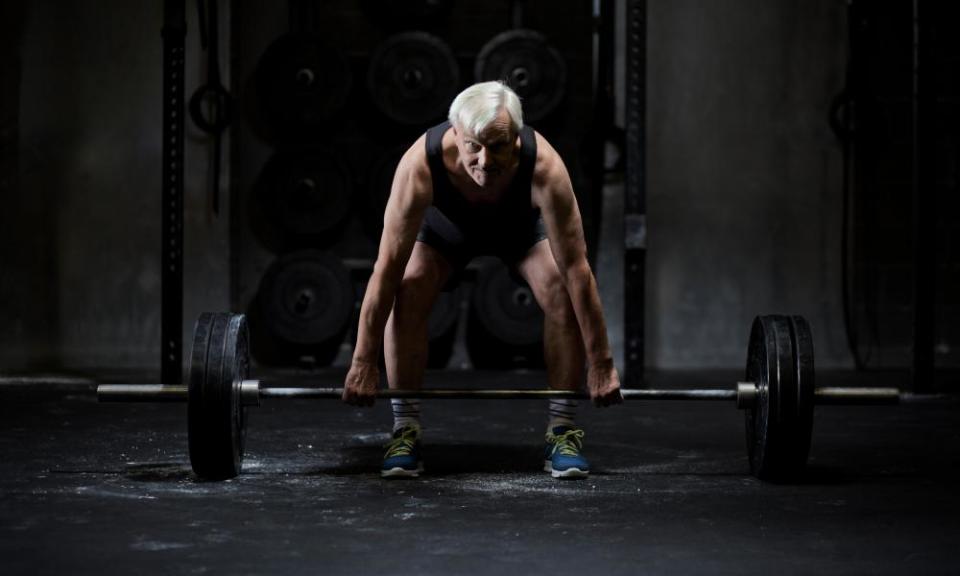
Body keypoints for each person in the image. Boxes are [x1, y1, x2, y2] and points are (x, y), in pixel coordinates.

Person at [342, 81, 622, 479]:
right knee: (407, 286)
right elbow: (385, 268)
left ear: (517, 138)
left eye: (499, 146)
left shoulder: (544, 168)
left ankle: (562, 430)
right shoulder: (420, 165)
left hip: (519, 232)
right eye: (474, 145)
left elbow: (578, 270)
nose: (485, 161)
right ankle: (405, 429)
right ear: (456, 132)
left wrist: (603, 363)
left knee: (561, 287)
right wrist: (362, 361)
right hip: (446, 233)